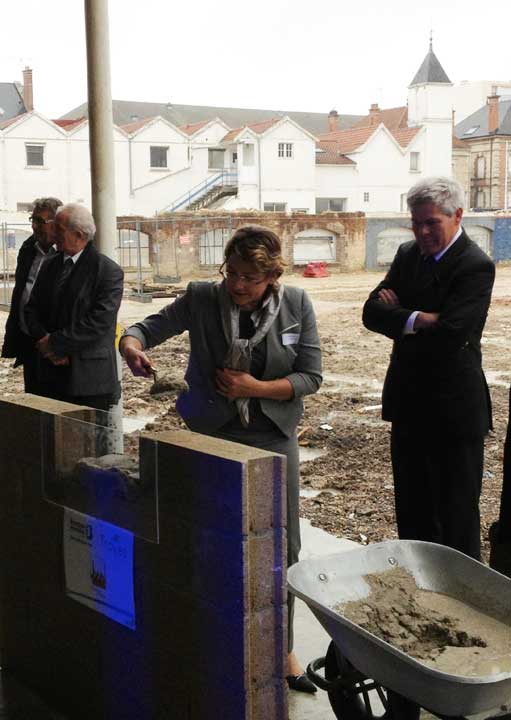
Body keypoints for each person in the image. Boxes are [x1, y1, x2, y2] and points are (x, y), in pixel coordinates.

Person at [120, 225, 322, 693]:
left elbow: (310, 376)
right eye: (231, 273)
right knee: (207, 534)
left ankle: (282, 648)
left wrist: (257, 389)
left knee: (281, 543)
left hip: (272, 435)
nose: (237, 285)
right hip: (210, 431)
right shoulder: (203, 298)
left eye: (250, 277)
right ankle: (206, 637)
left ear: (273, 275)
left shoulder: (296, 306)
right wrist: (131, 346)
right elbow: (146, 327)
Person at [362, 176, 495, 561]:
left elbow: (452, 335)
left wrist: (399, 314)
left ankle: (463, 603)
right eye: (416, 222)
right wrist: (421, 318)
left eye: (431, 223)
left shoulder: (475, 266)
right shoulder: (408, 255)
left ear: (457, 216)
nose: (422, 232)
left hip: (454, 412)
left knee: (455, 517)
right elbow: (372, 312)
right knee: (414, 512)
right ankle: (420, 598)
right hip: (409, 405)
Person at [24, 203, 124, 412]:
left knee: (85, 443)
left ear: (78, 235)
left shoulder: (107, 271)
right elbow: (31, 309)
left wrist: (55, 344)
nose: (52, 233)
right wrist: (45, 342)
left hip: (87, 381)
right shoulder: (50, 264)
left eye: (58, 229)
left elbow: (98, 323)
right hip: (48, 373)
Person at [1, 197, 62, 392]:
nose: (34, 226)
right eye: (32, 219)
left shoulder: (66, 252)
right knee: (34, 396)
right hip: (29, 338)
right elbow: (21, 290)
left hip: (53, 341)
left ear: (56, 223)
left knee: (55, 399)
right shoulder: (29, 247)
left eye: (40, 221)